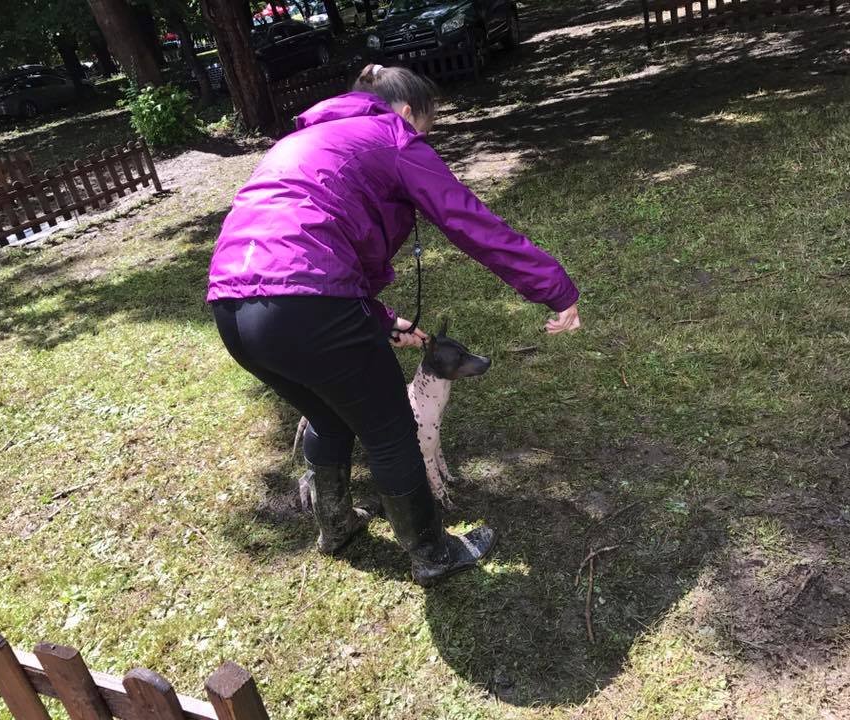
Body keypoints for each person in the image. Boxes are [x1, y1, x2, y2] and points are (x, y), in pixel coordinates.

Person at [208, 64, 581, 586]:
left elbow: (307, 246)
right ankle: (433, 554)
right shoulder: (394, 136)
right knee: (390, 433)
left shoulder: (301, 142)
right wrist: (555, 287)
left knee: (329, 418)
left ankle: (336, 525)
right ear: (407, 112)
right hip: (312, 306)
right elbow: (470, 221)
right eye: (426, 127)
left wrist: (379, 319)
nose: (424, 139)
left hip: (232, 309)